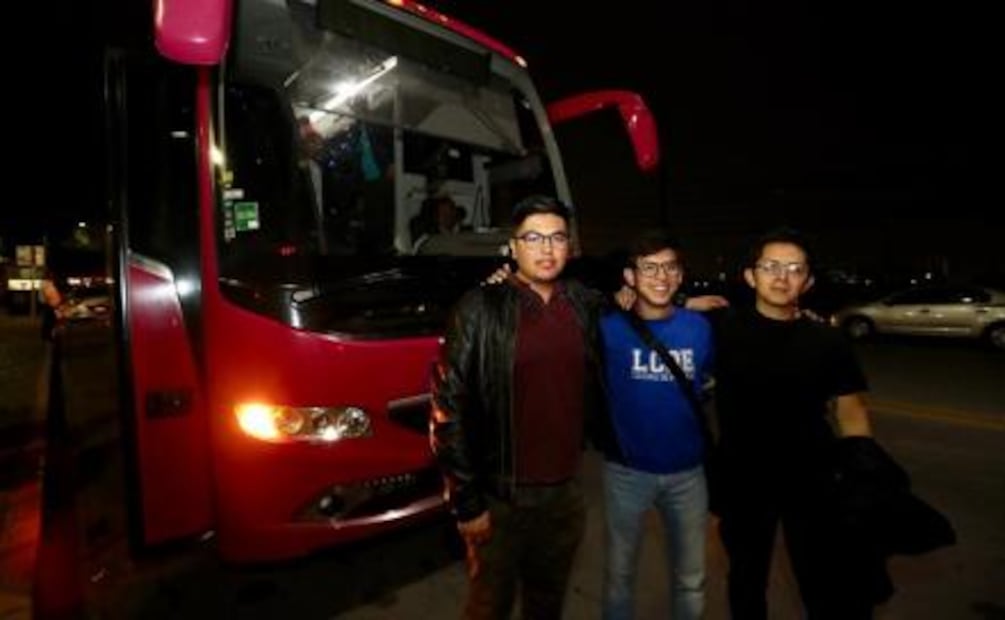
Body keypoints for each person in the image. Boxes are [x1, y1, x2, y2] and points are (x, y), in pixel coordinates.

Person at [430, 195, 602, 619]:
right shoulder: (479, 308)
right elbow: (448, 409)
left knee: (547, 604)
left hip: (564, 493)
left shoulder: (583, 304)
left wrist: (683, 302)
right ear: (512, 247)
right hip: (501, 496)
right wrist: (467, 502)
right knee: (489, 606)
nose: (547, 248)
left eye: (557, 237)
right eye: (534, 238)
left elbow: (636, 304)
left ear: (570, 246)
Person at [714, 227, 875, 619]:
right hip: (744, 478)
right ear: (750, 275)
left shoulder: (829, 340)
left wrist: (863, 473)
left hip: (811, 477)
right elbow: (658, 316)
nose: (781, 277)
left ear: (808, 281)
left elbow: (850, 410)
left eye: (794, 269)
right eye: (770, 266)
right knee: (746, 577)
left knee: (819, 577)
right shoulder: (721, 331)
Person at [597, 230, 713, 620]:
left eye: (670, 267)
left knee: (691, 579)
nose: (661, 276)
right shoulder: (607, 327)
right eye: (649, 268)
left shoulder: (701, 328)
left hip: (688, 474)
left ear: (680, 274)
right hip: (626, 473)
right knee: (619, 577)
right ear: (630, 277)